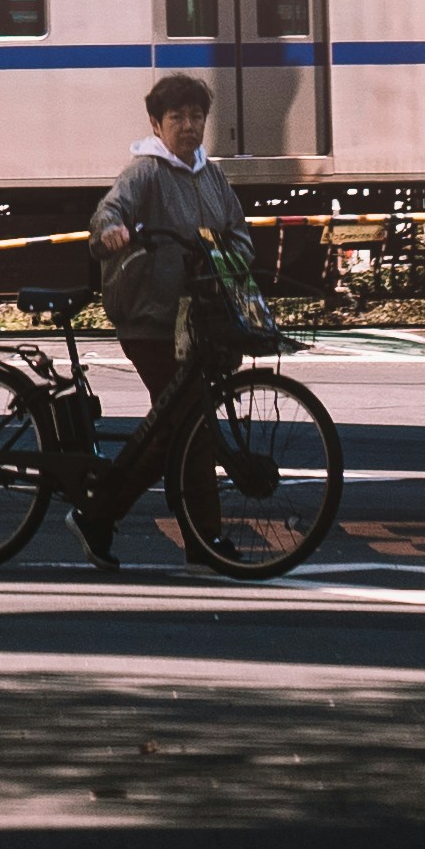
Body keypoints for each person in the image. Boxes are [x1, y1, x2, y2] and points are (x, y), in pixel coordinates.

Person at [78, 71, 245, 563]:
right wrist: (111, 232)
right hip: (151, 319)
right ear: (157, 123)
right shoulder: (145, 171)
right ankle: (200, 537)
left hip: (198, 321)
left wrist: (234, 258)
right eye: (178, 117)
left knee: (181, 426)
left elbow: (238, 230)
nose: (189, 126)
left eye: (196, 116)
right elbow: (108, 213)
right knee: (187, 421)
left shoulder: (210, 174)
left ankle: (110, 517)